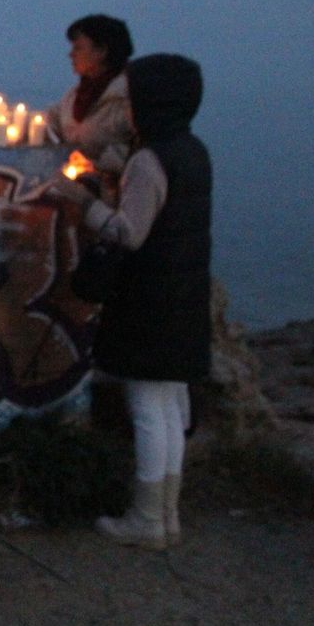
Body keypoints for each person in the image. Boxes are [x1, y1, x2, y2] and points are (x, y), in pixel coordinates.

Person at [51, 53, 211, 549]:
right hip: (183, 293)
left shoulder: (150, 159)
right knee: (167, 405)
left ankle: (146, 519)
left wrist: (82, 203)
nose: (124, 108)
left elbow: (129, 232)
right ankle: (166, 515)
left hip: (150, 296)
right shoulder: (192, 150)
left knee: (147, 405)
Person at [46, 14, 136, 179]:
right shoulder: (73, 98)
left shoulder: (129, 98)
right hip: (76, 196)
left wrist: (96, 164)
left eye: (78, 48)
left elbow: (140, 157)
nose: (71, 54)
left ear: (101, 51)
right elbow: (51, 126)